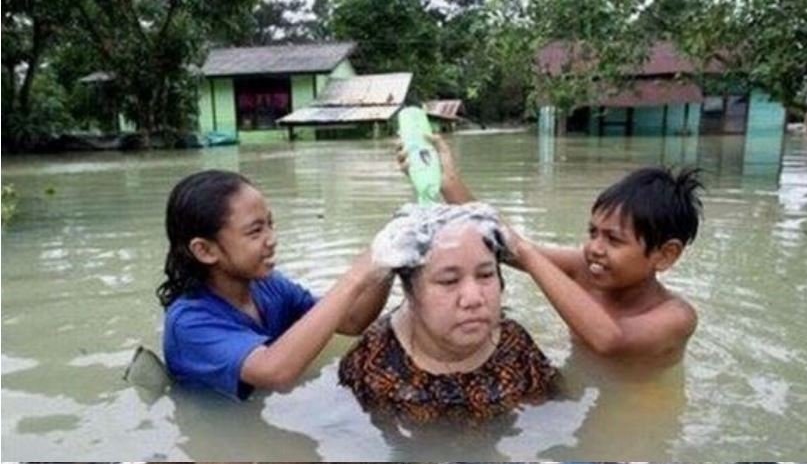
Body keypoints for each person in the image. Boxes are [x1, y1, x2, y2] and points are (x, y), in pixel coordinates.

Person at [397, 136, 703, 369]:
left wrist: (529, 254)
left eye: (613, 240)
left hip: (639, 411)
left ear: (666, 255)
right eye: (592, 232)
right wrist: (449, 183)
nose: (594, 248)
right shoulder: (585, 268)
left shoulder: (677, 316)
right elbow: (508, 249)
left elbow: (610, 340)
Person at [157, 169, 393, 400]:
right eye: (256, 231)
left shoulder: (269, 285)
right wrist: (354, 279)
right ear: (205, 250)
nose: (272, 239)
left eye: (271, 224)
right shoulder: (188, 323)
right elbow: (275, 372)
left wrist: (390, 258)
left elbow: (352, 321)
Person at [338, 202, 558, 424]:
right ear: (409, 291)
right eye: (449, 280)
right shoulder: (374, 360)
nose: (473, 299)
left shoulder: (517, 349)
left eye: (485, 275)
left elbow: (545, 421)